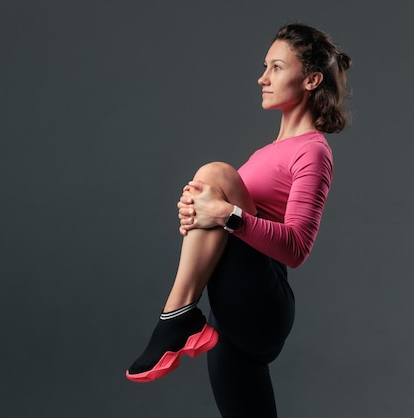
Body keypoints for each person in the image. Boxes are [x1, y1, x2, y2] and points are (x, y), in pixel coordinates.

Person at [126, 22, 352, 417]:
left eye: (277, 68)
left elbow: (297, 248)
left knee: (217, 173)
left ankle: (176, 317)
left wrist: (226, 214)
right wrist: (198, 213)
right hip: (228, 311)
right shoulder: (268, 152)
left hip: (263, 304)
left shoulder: (313, 151)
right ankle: (182, 321)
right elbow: (227, 220)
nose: (262, 78)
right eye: (265, 66)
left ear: (312, 79)